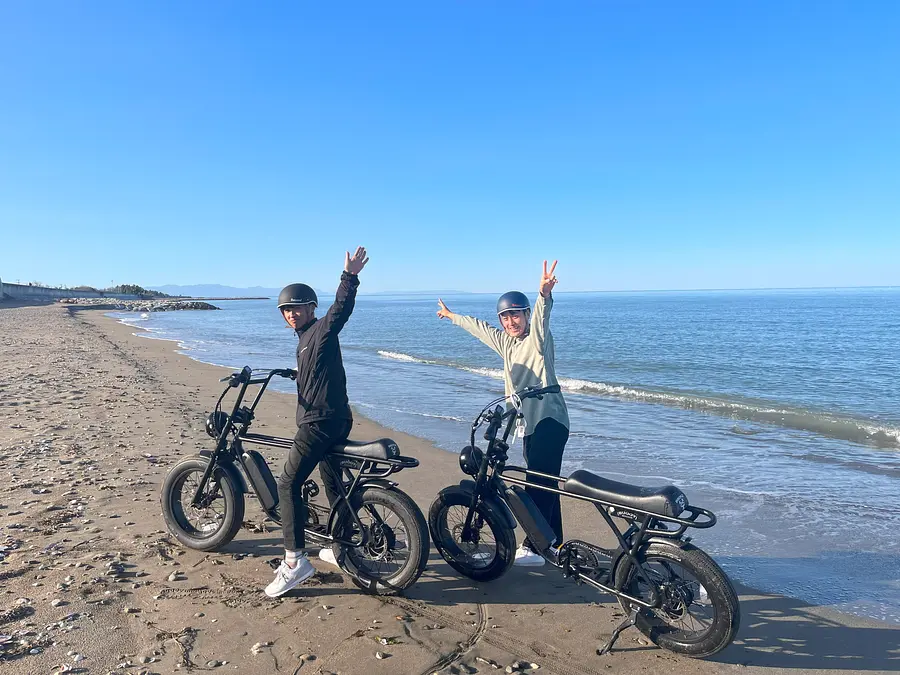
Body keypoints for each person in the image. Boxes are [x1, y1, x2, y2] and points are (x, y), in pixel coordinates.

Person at [437, 260, 569, 566]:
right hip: (530, 424)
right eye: (506, 317)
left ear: (525, 315)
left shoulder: (536, 341)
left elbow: (541, 320)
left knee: (538, 482)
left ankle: (537, 548)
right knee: (543, 481)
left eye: (516, 315)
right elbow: (480, 329)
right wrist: (452, 316)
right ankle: (555, 544)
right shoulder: (507, 345)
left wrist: (543, 295)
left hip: (550, 419)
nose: (511, 322)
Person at [265, 246, 369, 598]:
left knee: (287, 483)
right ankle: (343, 548)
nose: (292, 313)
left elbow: (341, 310)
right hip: (336, 418)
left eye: (297, 307)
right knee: (333, 484)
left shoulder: (321, 330)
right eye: (286, 310)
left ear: (312, 308)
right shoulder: (305, 342)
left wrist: (349, 277)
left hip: (320, 423)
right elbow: (316, 370)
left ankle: (295, 561)